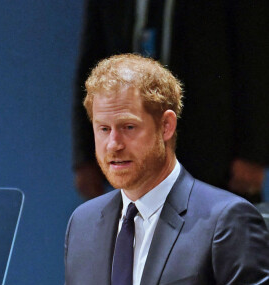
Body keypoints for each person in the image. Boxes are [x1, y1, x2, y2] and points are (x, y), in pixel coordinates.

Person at [64, 54, 269, 285]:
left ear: (166, 126)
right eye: (104, 129)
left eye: (128, 127)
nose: (113, 145)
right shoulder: (82, 224)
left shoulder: (226, 221)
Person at [72, 0, 269, 201]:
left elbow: (257, 61)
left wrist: (253, 154)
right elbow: (92, 68)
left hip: (215, 158)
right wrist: (86, 155)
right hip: (133, 154)